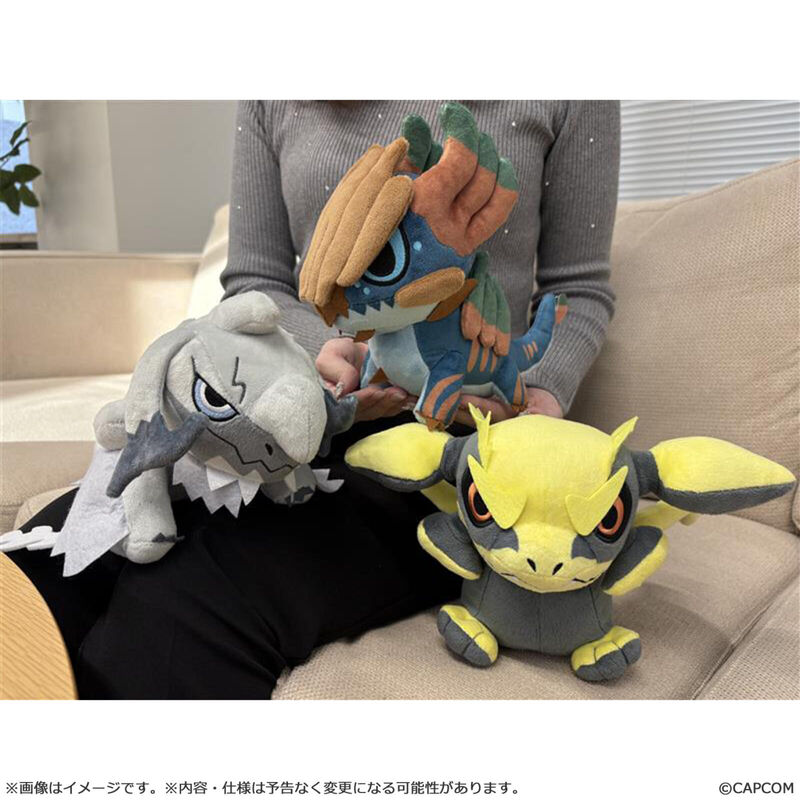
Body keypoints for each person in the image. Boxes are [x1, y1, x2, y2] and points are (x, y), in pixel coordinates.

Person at [10, 100, 620, 698]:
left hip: (455, 452)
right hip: (302, 410)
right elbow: (257, 280)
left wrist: (537, 400)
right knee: (46, 564)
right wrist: (327, 347)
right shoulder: (273, 98)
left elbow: (579, 288)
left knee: (172, 619)